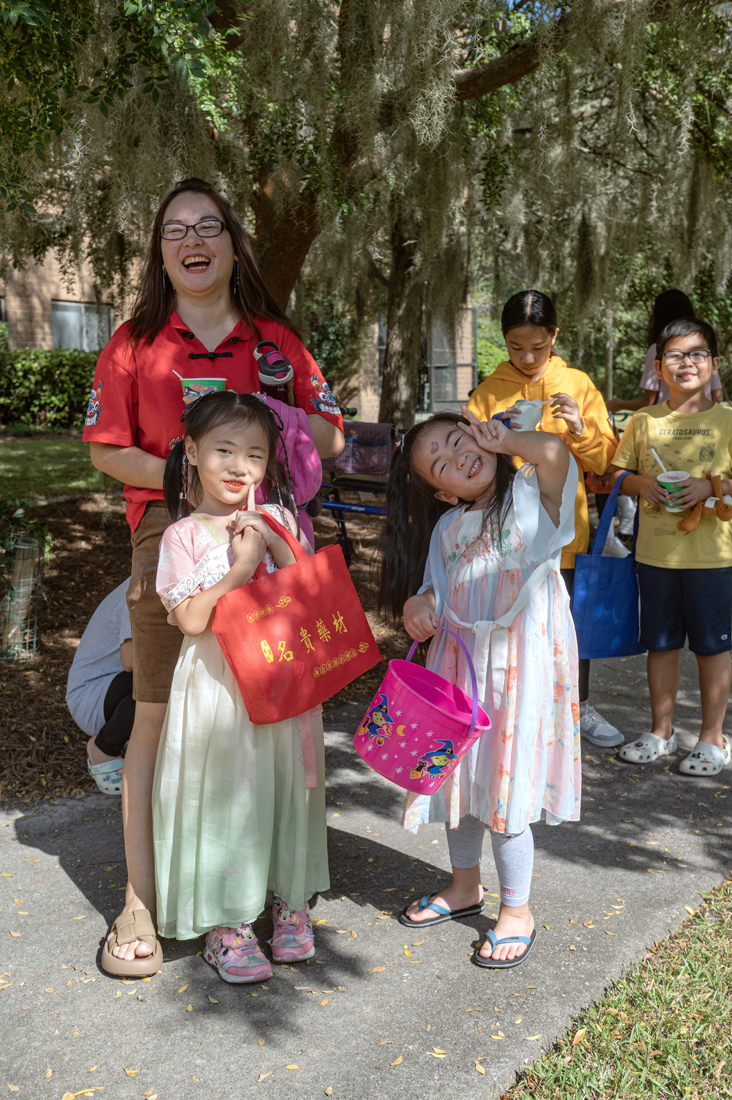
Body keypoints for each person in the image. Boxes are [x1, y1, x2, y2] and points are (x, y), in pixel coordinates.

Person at [83, 178, 343, 974]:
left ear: (233, 243)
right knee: (162, 714)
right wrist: (190, 482)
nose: (192, 241)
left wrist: (269, 447)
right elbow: (103, 448)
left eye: (208, 227)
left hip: (270, 542)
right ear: (160, 251)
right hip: (173, 535)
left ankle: (266, 884)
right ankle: (141, 899)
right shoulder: (134, 342)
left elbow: (330, 435)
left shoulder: (274, 341)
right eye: (173, 230)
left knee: (273, 713)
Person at [378, 407, 580, 967]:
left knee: (506, 780)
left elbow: (555, 453)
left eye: (454, 440)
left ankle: (517, 910)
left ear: (475, 429)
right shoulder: (449, 529)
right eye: (440, 465)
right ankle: (465, 886)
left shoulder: (533, 496)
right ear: (441, 495)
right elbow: (435, 592)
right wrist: (417, 605)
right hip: (462, 671)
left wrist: (509, 438)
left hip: (521, 670)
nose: (457, 458)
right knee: (460, 780)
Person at [467, 290, 621, 748]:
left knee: (569, 621)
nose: (529, 356)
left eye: (539, 345)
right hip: (503, 535)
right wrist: (496, 431)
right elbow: (469, 454)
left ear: (555, 335)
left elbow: (603, 460)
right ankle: (518, 709)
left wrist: (579, 426)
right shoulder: (489, 390)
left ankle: (580, 706)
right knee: (510, 621)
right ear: (504, 340)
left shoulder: (576, 383)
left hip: (563, 532)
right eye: (516, 347)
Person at [610, 317, 732, 776]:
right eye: (675, 355)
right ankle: (660, 732)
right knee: (660, 646)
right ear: (658, 368)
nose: (686, 363)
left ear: (715, 364)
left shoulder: (727, 420)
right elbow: (615, 477)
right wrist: (640, 482)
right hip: (654, 556)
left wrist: (709, 490)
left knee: (711, 648)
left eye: (697, 353)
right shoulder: (643, 421)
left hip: (714, 559)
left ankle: (712, 738)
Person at [66, 578, 134, 796]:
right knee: (158, 679)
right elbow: (131, 661)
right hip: (91, 695)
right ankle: (105, 747)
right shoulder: (141, 588)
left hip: (111, 685)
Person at [607, 290, 723, 414]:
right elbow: (717, 396)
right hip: (704, 421)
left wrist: (618, 404)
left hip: (667, 422)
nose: (686, 363)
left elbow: (648, 402)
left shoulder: (657, 349)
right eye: (675, 355)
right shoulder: (703, 351)